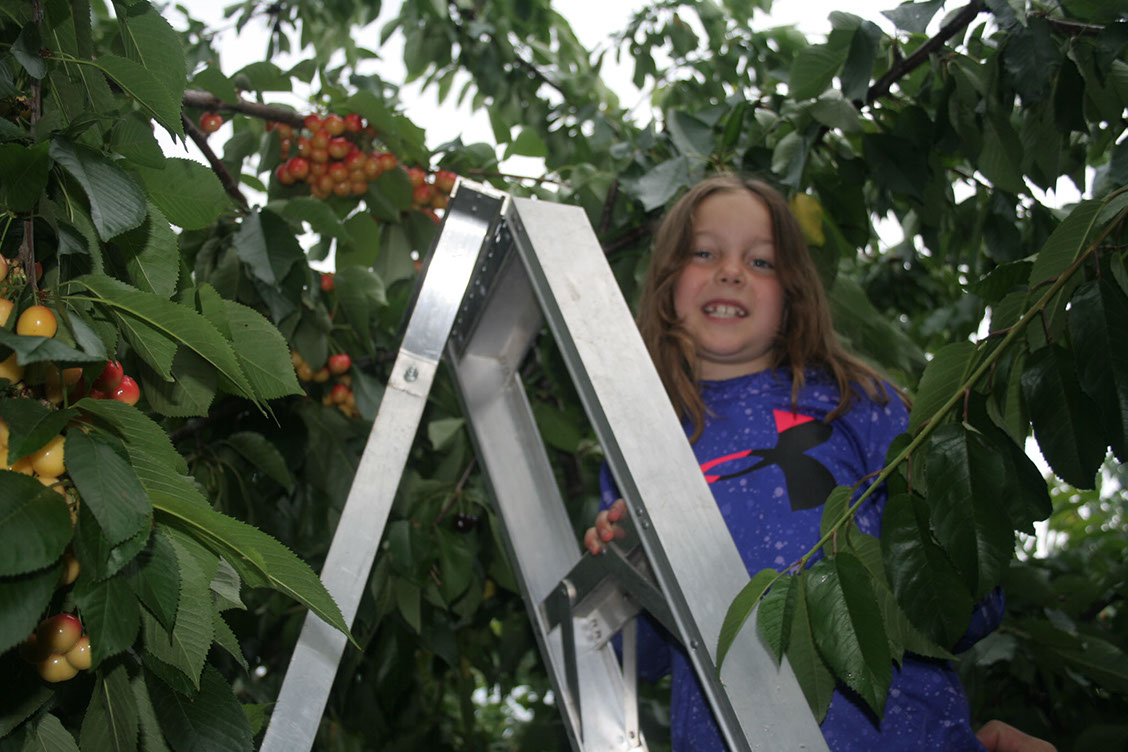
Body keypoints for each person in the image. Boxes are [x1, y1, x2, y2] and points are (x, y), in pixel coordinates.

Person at [583, 174, 1052, 751]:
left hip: (900, 734)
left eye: (760, 261)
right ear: (665, 283)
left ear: (793, 294)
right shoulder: (641, 447)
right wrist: (625, 569)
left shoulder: (856, 399)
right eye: (704, 253)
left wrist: (958, 529)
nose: (730, 270)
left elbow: (968, 604)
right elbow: (648, 658)